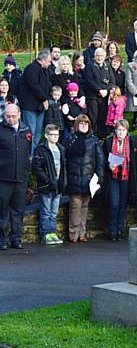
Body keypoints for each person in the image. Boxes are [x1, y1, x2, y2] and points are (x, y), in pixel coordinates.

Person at [63, 115, 104, 243]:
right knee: (75, 206)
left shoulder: (94, 141)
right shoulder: (70, 139)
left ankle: (82, 233)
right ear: (76, 125)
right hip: (74, 177)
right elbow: (64, 158)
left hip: (88, 179)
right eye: (81, 124)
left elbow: (100, 160)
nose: (84, 126)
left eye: (86, 124)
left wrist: (99, 178)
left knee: (84, 207)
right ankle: (73, 233)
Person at [103, 119, 137, 241]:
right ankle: (112, 231)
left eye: (123, 130)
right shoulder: (109, 142)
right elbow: (101, 159)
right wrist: (108, 165)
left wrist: (136, 176)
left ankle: (120, 231)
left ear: (127, 131)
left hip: (126, 178)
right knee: (114, 204)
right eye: (119, 130)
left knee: (122, 205)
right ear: (115, 131)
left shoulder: (132, 142)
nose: (121, 133)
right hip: (113, 177)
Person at [0, 104, 31, 250]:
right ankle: (2, 239)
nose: (10, 119)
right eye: (7, 116)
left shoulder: (26, 130)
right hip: (3, 177)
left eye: (13, 116)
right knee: (2, 210)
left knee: (18, 210)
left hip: (21, 178)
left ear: (19, 114)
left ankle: (16, 238)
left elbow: (28, 153)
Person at [32, 124, 66, 244]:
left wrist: (62, 182)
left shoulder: (61, 148)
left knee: (54, 212)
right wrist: (46, 179)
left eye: (57, 135)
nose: (55, 137)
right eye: (52, 135)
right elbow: (36, 167)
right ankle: (45, 233)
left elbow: (63, 168)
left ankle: (52, 232)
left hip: (57, 185)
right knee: (45, 211)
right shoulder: (41, 149)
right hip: (46, 185)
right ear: (46, 135)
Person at [18, 49, 52, 153]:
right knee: (30, 133)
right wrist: (44, 99)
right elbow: (34, 86)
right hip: (30, 106)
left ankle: (34, 154)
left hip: (39, 107)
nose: (50, 64)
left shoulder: (44, 70)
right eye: (49, 61)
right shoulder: (31, 69)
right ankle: (28, 155)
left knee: (37, 133)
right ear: (43, 60)